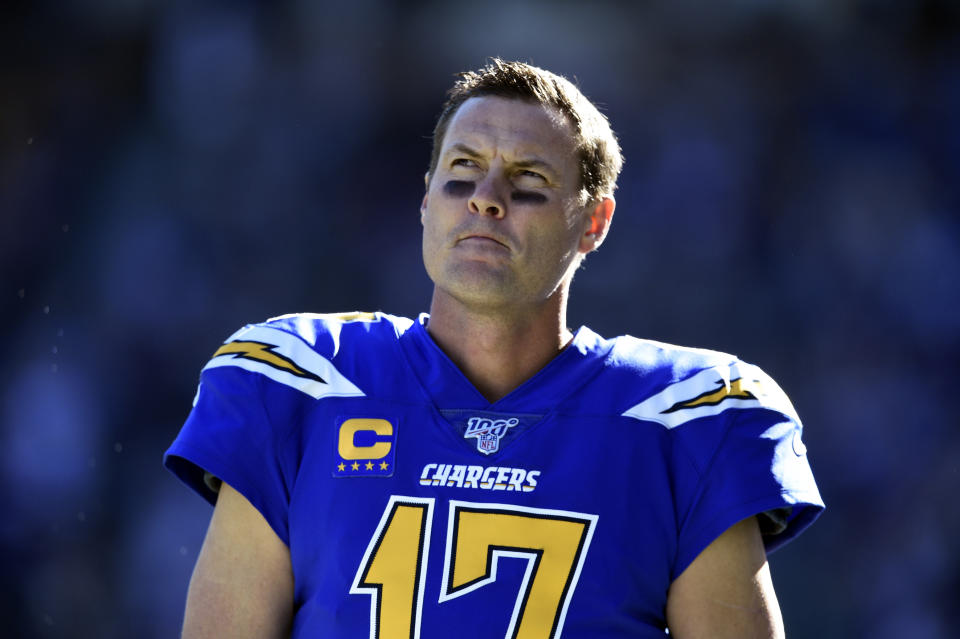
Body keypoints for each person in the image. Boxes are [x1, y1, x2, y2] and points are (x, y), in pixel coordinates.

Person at [164, 59, 823, 639]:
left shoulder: (686, 421)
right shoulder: (301, 382)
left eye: (528, 181)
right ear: (426, 202)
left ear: (593, 221)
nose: (487, 199)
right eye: (462, 172)